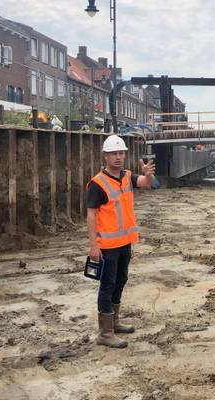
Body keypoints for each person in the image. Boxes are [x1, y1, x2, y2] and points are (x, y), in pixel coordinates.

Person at [86, 135, 156, 348]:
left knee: (121, 280)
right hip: (107, 246)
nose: (118, 157)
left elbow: (144, 184)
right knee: (107, 285)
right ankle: (105, 333)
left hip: (125, 242)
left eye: (121, 153)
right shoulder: (97, 183)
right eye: (114, 154)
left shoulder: (126, 176)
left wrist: (148, 175)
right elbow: (91, 215)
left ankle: (114, 322)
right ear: (105, 156)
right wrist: (93, 245)